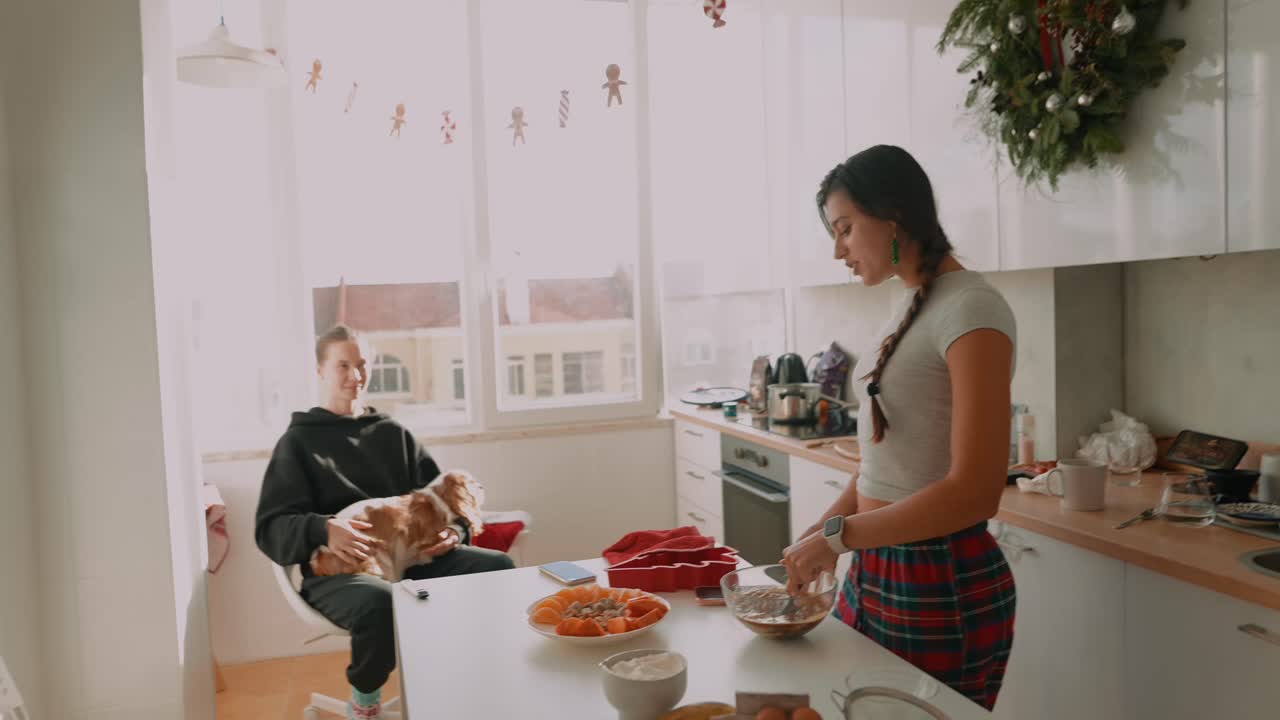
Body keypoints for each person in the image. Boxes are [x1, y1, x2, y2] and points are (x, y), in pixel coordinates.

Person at [782, 145, 1017, 710]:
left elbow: (976, 490)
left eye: (844, 229)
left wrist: (838, 538)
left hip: (941, 579)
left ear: (891, 218)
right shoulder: (913, 305)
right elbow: (884, 468)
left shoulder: (973, 310)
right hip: (878, 565)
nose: (838, 250)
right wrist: (822, 533)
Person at [256, 324, 514, 720]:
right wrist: (324, 528)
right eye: (343, 365)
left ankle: (477, 677)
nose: (355, 376)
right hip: (339, 573)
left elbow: (443, 498)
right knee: (378, 598)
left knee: (498, 568)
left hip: (409, 558)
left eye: (362, 365)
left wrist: (455, 531)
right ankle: (366, 702)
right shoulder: (298, 443)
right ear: (320, 370)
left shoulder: (393, 435)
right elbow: (271, 527)